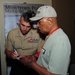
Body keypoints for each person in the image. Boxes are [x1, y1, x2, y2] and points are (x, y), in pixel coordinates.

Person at [20, 5, 71, 75]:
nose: (37, 25)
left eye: (39, 22)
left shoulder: (60, 41)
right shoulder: (49, 36)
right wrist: (33, 57)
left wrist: (30, 63)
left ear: (49, 21)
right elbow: (45, 54)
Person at [5, 10, 44, 75]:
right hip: (17, 65)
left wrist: (31, 57)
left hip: (32, 66)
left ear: (31, 25)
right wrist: (11, 54)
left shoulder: (38, 34)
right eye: (22, 25)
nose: (24, 29)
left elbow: (41, 53)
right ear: (19, 22)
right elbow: (7, 51)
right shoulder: (12, 33)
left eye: (28, 26)